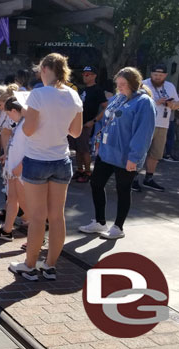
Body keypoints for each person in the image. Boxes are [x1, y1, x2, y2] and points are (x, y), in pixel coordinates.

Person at [9, 53, 83, 281]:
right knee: (57, 216)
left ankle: (29, 265)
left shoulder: (38, 94)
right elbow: (76, 132)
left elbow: (28, 130)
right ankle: (49, 265)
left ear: (44, 69)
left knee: (38, 217)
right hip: (61, 159)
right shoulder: (73, 95)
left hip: (37, 159)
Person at [79, 67, 156, 240]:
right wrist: (98, 143)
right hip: (107, 152)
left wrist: (134, 157)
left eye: (123, 84)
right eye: (118, 84)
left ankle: (118, 227)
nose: (119, 87)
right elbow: (107, 120)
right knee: (96, 183)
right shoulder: (118, 97)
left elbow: (144, 133)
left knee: (123, 189)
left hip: (126, 155)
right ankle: (100, 222)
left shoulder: (144, 102)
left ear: (134, 84)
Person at [132, 64, 179, 192]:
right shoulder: (143, 85)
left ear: (165, 75)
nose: (157, 77)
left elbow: (177, 104)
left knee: (156, 154)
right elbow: (134, 102)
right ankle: (133, 178)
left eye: (160, 75)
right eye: (155, 75)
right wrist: (155, 102)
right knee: (140, 151)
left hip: (163, 124)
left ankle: (149, 178)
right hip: (145, 123)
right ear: (151, 74)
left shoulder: (170, 86)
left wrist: (172, 104)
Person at [0, 97, 28, 241]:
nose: (8, 117)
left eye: (9, 113)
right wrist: (7, 156)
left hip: (20, 170)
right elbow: (16, 145)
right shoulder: (19, 124)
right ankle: (7, 230)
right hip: (13, 168)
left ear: (15, 110)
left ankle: (37, 230)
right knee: (12, 199)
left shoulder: (26, 125)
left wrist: (20, 166)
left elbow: (31, 149)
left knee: (25, 204)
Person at [73, 66, 108, 183]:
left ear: (94, 76)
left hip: (87, 124)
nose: (84, 76)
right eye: (84, 74)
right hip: (78, 123)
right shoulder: (82, 90)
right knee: (78, 148)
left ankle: (88, 171)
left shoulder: (98, 90)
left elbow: (106, 108)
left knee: (85, 149)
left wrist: (93, 121)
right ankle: (79, 170)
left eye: (87, 74)